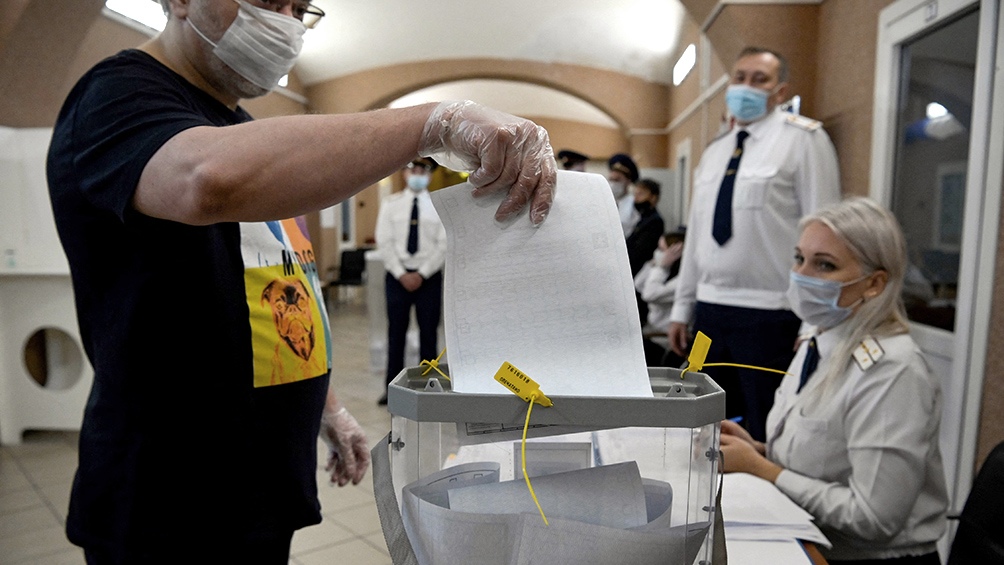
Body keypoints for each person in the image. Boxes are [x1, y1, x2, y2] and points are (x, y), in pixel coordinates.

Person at [44, 0, 556, 562]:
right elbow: (205, 181)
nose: (286, 21)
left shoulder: (238, 125)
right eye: (268, 0)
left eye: (298, 7)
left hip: (255, 483)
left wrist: (326, 407)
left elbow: (277, 287)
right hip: (170, 490)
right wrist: (430, 122)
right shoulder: (118, 94)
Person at [719, 197, 948, 564]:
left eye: (824, 265)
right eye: (799, 258)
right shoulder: (821, 338)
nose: (801, 274)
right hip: (811, 541)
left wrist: (763, 469)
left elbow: (874, 519)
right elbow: (828, 457)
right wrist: (757, 450)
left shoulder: (892, 371)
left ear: (873, 284)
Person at [667, 46, 841, 441]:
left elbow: (826, 232)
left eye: (759, 79)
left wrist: (814, 321)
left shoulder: (804, 141)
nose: (746, 87)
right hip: (709, 314)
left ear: (780, 91)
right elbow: (697, 234)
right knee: (700, 421)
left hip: (770, 315)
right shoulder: (715, 152)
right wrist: (683, 306)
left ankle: (759, 501)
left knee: (765, 425)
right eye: (740, 77)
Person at [375, 157, 447, 405]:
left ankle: (428, 390)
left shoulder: (439, 206)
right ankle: (392, 390)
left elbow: (443, 244)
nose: (417, 173)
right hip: (398, 277)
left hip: (429, 278)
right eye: (413, 169)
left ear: (429, 174)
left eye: (423, 170)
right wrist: (401, 273)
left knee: (429, 335)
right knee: (396, 335)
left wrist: (422, 273)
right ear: (405, 173)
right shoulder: (390, 204)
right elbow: (384, 241)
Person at [634, 230, 686, 367]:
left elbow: (649, 294)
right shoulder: (665, 272)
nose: (658, 252)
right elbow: (638, 284)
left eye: (662, 249)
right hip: (650, 332)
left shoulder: (681, 281)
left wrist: (661, 268)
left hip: (662, 339)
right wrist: (653, 265)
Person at [626, 178, 665, 277]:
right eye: (635, 194)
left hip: (640, 273)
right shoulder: (642, 218)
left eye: (641, 194)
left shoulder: (655, 221)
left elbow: (640, 252)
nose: (636, 199)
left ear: (653, 197)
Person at [608, 153, 641, 237]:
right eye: (611, 179)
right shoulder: (604, 202)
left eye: (617, 180)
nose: (613, 184)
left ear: (628, 181)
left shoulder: (636, 204)